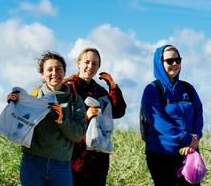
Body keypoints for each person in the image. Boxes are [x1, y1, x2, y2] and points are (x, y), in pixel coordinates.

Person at [7, 51, 87, 186]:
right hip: (32, 163)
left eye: (58, 69)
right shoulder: (32, 98)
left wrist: (62, 120)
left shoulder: (75, 101)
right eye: (49, 70)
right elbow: (16, 129)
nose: (54, 73)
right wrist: (12, 105)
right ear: (43, 75)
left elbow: (78, 135)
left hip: (61, 166)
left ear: (64, 72)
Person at [64, 48, 127, 185]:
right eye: (87, 62)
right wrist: (85, 116)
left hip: (98, 158)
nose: (90, 67)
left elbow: (118, 111)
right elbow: (61, 118)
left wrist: (113, 86)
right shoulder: (68, 87)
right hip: (76, 157)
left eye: (95, 64)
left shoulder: (99, 90)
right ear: (78, 63)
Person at [142, 45, 203, 185]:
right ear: (160, 63)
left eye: (178, 60)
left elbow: (198, 115)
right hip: (161, 154)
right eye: (170, 61)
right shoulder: (152, 89)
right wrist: (186, 138)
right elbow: (158, 121)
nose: (175, 64)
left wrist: (194, 140)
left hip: (189, 154)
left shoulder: (188, 88)